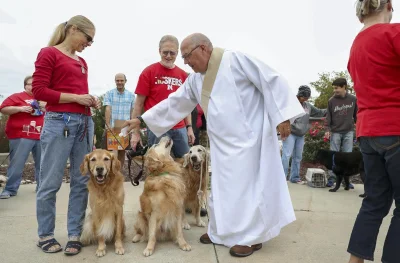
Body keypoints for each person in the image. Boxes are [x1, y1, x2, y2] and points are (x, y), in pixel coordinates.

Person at [124, 33, 305, 258]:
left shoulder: (236, 60)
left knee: (246, 191)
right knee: (220, 189)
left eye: (187, 56)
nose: (186, 62)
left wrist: (283, 117)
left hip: (249, 141)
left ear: (203, 49)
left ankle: (251, 237)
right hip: (220, 145)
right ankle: (220, 231)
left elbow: (271, 80)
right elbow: (175, 103)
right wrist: (141, 120)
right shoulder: (195, 79)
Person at [32, 15, 100, 255]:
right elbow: (40, 90)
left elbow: (76, 92)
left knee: (81, 181)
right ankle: (46, 234)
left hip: (84, 122)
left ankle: (74, 233)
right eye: (87, 38)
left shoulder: (82, 61)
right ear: (72, 29)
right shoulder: (49, 53)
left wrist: (90, 99)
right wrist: (76, 98)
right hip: (58, 122)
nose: (89, 44)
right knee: (50, 181)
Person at [347, 1, 399, 263]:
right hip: (396, 127)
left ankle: (354, 261)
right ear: (388, 6)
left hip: (368, 131)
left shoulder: (355, 46)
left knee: (374, 202)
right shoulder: (394, 33)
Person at [131, 35, 195, 158]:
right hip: (157, 128)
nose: (168, 56)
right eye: (165, 52)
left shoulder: (183, 75)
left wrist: (189, 127)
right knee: (157, 165)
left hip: (179, 127)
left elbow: (186, 105)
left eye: (172, 53)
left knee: (185, 165)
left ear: (177, 53)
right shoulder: (148, 72)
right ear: (159, 51)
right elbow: (138, 104)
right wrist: (135, 132)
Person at [0, 76, 45, 199]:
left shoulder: (43, 99)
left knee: (42, 164)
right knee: (17, 164)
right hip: (21, 135)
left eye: (36, 84)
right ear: (25, 85)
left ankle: (42, 188)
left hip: (41, 136)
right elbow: (3, 108)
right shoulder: (17, 97)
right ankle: (10, 189)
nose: (33, 86)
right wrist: (20, 108)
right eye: (31, 84)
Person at [281, 85, 326, 184]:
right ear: (299, 95)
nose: (305, 99)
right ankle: (282, 178)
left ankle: (295, 178)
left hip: (301, 135)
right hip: (290, 133)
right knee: (286, 155)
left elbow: (319, 112)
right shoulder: (291, 104)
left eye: (307, 97)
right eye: (304, 97)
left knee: (298, 157)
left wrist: (331, 109)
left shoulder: (308, 106)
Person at [324, 77, 357, 188]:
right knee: (334, 156)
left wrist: (358, 129)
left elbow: (357, 116)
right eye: (334, 88)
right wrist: (327, 130)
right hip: (336, 131)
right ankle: (332, 178)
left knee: (348, 157)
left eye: (337, 88)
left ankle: (346, 181)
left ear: (344, 87)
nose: (335, 90)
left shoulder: (353, 99)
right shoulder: (331, 101)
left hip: (348, 131)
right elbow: (328, 117)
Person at [102, 73, 135, 168]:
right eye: (117, 80)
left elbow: (132, 111)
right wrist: (107, 124)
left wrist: (131, 126)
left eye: (121, 80)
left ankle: (118, 173)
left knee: (122, 151)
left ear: (125, 81)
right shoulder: (109, 93)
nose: (119, 82)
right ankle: (108, 172)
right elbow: (108, 108)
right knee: (108, 152)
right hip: (112, 126)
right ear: (115, 81)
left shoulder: (131, 95)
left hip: (124, 127)